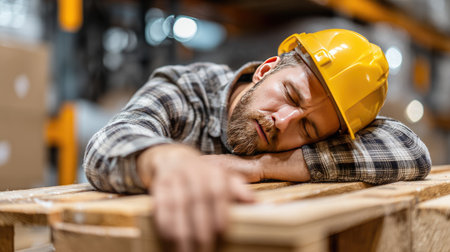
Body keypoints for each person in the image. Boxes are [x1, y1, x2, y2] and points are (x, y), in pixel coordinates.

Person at [84, 29, 431, 252]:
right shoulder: (189, 90)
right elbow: (108, 143)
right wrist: (167, 161)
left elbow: (410, 148)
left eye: (307, 128)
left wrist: (260, 167)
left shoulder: (299, 138)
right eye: (291, 95)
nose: (283, 121)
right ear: (266, 69)